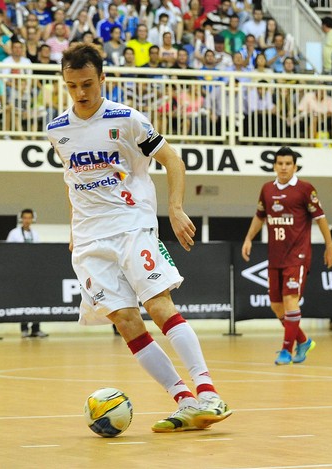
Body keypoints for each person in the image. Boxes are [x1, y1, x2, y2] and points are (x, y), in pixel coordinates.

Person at [46, 43, 231, 432]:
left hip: (131, 226)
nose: (81, 93)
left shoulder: (127, 119)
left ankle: (209, 393)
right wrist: (72, 228)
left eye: (88, 84)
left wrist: (176, 208)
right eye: (72, 86)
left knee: (159, 306)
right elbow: (71, 181)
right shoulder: (57, 129)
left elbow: (173, 160)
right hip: (88, 241)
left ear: (102, 79)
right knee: (127, 321)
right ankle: (184, 400)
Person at [241, 147, 332, 365]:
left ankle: (286, 350)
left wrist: (329, 246)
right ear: (274, 165)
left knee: (290, 300)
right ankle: (303, 341)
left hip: (298, 255)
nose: (283, 167)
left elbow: (321, 218)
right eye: (280, 163)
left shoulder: (305, 189)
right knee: (276, 305)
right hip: (275, 257)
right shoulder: (267, 189)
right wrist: (248, 239)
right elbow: (259, 216)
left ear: (295, 167)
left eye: (288, 164)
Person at [6, 208, 48, 338]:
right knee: (23, 300)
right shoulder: (14, 233)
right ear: (21, 219)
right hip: (20, 272)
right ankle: (24, 328)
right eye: (25, 218)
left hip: (33, 271)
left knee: (36, 300)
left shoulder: (35, 234)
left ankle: (36, 328)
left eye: (29, 218)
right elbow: (8, 251)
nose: (27, 220)